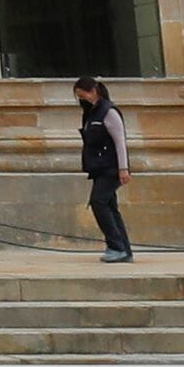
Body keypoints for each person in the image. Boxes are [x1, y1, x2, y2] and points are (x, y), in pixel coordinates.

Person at [75, 74, 138, 260]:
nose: (81, 99)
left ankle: (116, 246)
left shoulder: (109, 112)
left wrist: (123, 169)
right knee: (110, 205)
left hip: (111, 167)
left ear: (93, 91)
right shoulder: (91, 113)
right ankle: (123, 249)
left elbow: (120, 141)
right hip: (99, 167)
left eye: (82, 95)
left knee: (98, 202)